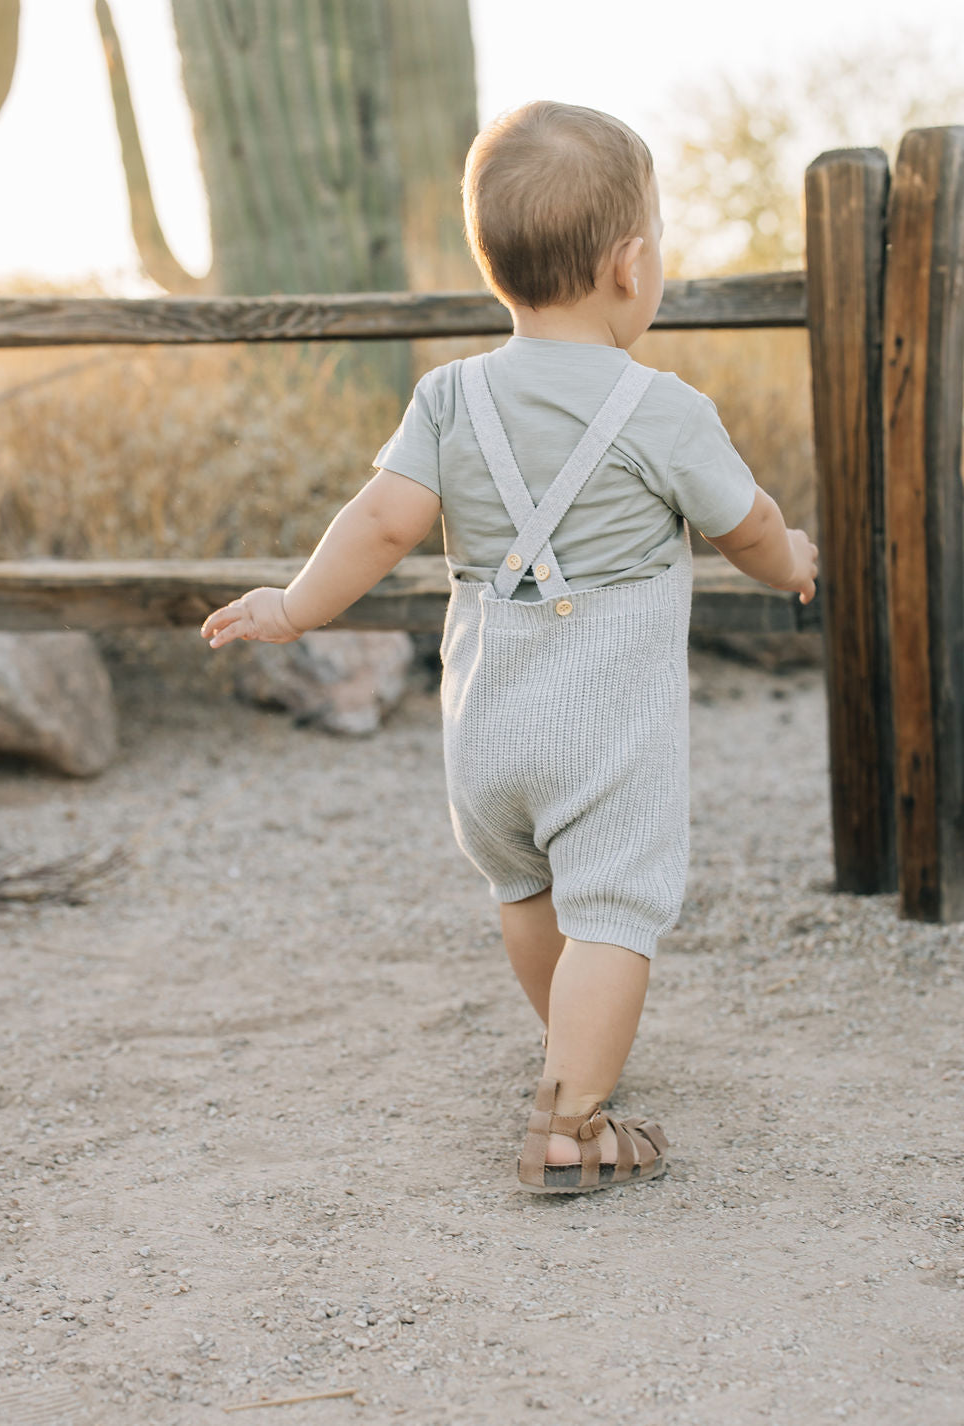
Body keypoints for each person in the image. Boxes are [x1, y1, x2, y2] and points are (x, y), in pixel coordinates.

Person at [201, 100, 817, 1195]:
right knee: (615, 909)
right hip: (604, 729)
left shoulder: (447, 396)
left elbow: (381, 522)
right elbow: (749, 527)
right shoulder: (663, 409)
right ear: (630, 266)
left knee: (526, 890)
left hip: (487, 719)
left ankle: (568, 1056)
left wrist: (294, 607)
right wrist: (794, 561)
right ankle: (571, 1124)